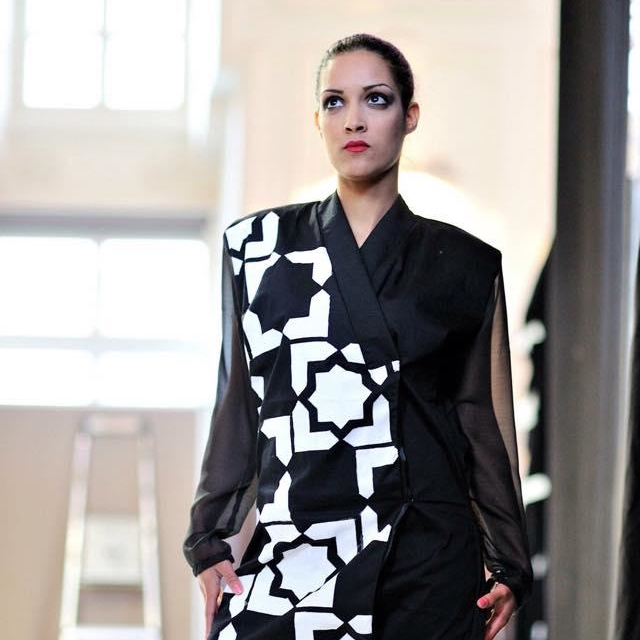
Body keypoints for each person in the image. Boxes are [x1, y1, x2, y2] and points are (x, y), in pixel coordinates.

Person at [183, 33, 533, 640]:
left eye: (376, 99)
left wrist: (507, 558)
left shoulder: (466, 262)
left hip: (425, 548)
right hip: (302, 537)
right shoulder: (258, 249)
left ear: (409, 116)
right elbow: (240, 399)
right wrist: (209, 537)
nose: (354, 120)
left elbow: (478, 413)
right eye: (335, 102)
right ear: (316, 120)